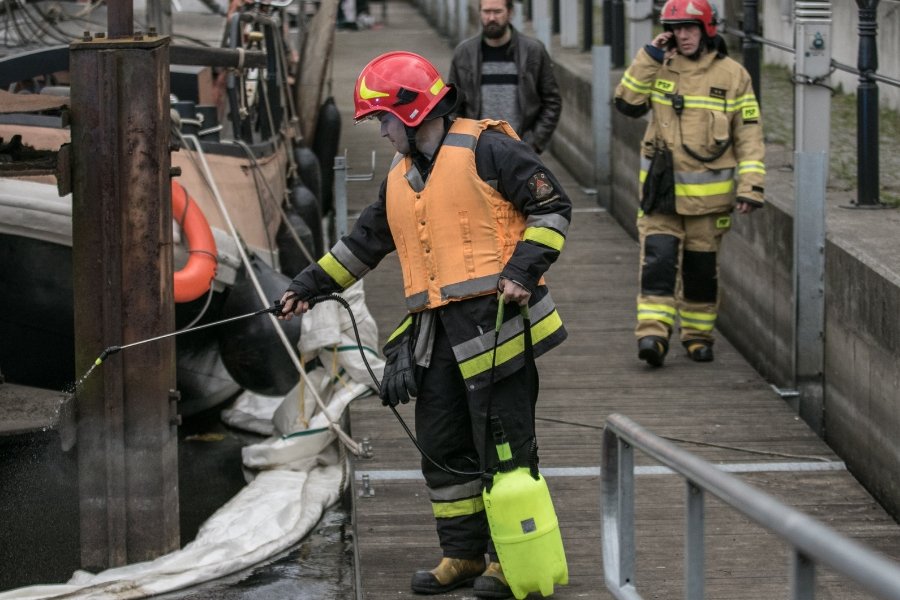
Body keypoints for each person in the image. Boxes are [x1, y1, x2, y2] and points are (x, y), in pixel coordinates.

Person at [278, 51, 571, 597]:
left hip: (498, 327)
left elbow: (552, 208)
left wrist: (523, 270)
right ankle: (461, 555)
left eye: (383, 120)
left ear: (410, 114)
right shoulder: (401, 177)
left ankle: (511, 559)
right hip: (435, 336)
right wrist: (306, 287)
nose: (381, 132)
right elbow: (363, 242)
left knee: (505, 448)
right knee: (443, 442)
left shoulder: (490, 147)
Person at [614, 0, 765, 367]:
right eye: (675, 27)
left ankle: (698, 337)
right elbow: (626, 101)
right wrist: (649, 55)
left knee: (700, 274)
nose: (682, 35)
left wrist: (751, 186)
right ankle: (652, 335)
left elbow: (749, 135)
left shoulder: (733, 76)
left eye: (689, 28)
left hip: (708, 204)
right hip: (661, 196)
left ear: (707, 30)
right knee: (658, 265)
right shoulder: (659, 66)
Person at [449, 0, 561, 154]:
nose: (491, 18)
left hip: (521, 151)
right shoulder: (464, 53)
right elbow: (452, 105)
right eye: (486, 12)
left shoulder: (533, 51)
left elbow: (552, 101)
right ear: (480, 12)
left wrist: (534, 143)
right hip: (477, 152)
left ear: (510, 12)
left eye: (497, 12)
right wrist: (464, 143)